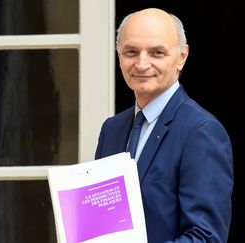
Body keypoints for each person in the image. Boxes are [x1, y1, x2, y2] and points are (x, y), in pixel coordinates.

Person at [95, 7, 234, 243]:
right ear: (119, 55)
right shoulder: (112, 129)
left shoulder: (201, 132)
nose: (141, 64)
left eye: (157, 53)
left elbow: (206, 237)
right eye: (131, 51)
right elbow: (101, 221)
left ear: (182, 57)